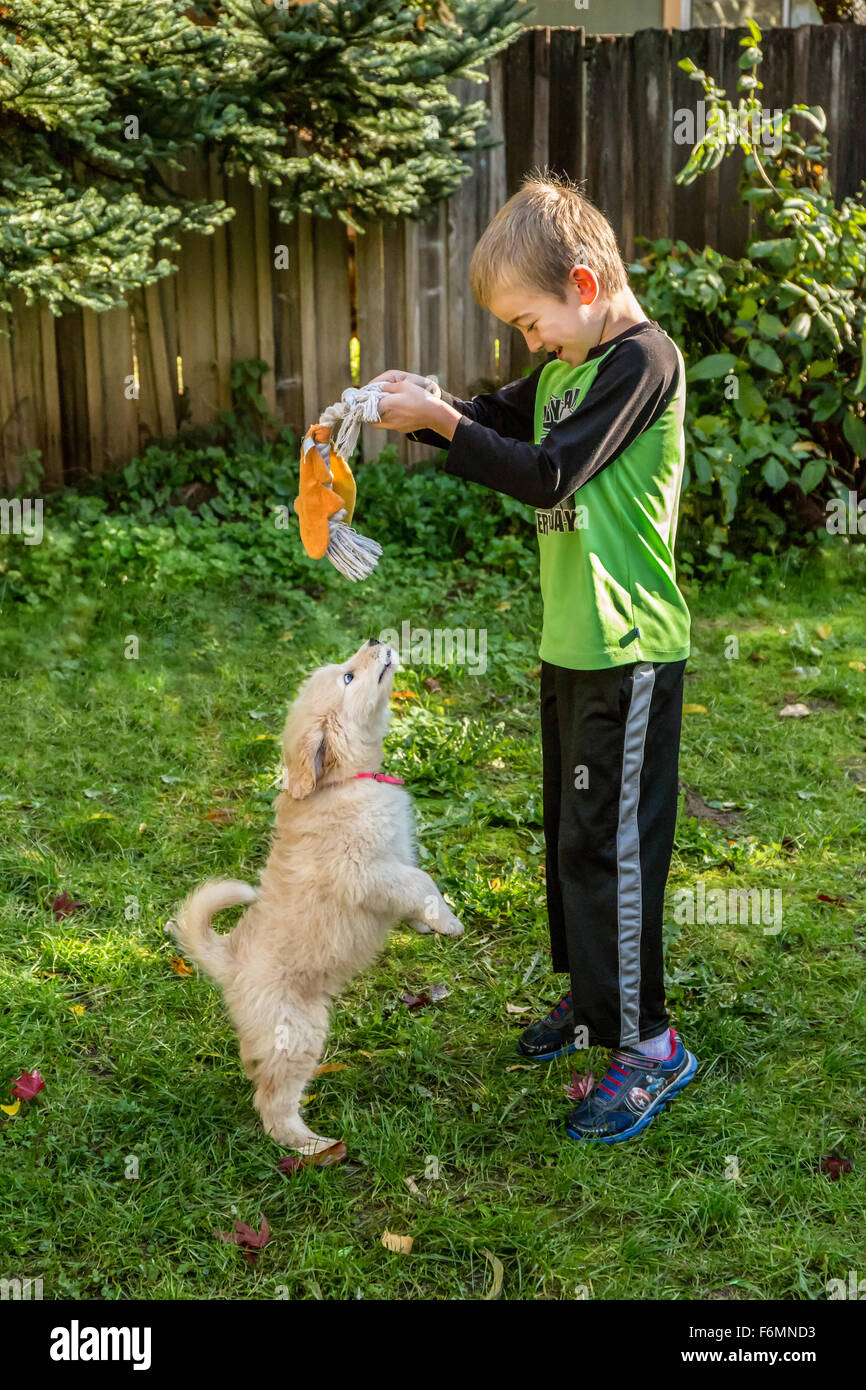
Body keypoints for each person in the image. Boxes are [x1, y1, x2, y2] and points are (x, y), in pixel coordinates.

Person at [369, 170, 697, 1143]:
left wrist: (444, 426)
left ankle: (647, 1046)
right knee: (569, 838)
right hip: (569, 645)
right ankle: (592, 1002)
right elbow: (500, 419)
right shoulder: (564, 367)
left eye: (528, 322)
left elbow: (547, 470)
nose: (528, 343)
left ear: (584, 288)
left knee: (611, 850)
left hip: (629, 651)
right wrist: (429, 403)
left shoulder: (640, 363)